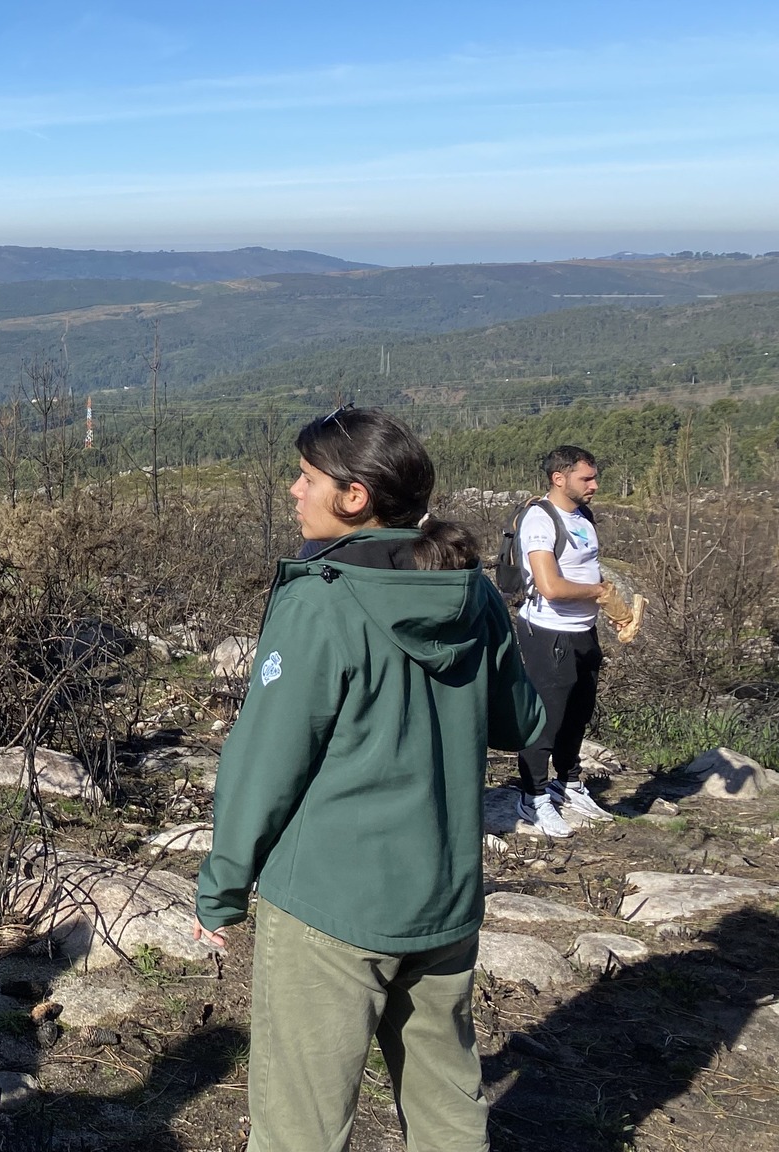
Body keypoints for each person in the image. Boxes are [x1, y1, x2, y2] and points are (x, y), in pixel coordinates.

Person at [194, 407, 543, 1152]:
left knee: (301, 1128)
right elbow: (521, 724)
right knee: (449, 1107)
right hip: (444, 892)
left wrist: (223, 886)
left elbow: (266, 761)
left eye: (308, 476)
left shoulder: (322, 597)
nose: (293, 489)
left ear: (355, 497)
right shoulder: (469, 590)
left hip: (330, 901)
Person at [512, 445, 617, 837]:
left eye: (594, 477)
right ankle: (532, 794)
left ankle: (567, 783)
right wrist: (599, 593)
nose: (594, 485)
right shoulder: (540, 520)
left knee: (578, 710)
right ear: (560, 478)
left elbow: (582, 568)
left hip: (583, 631)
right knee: (547, 717)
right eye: (585, 478)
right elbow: (550, 586)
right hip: (549, 632)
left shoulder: (583, 516)